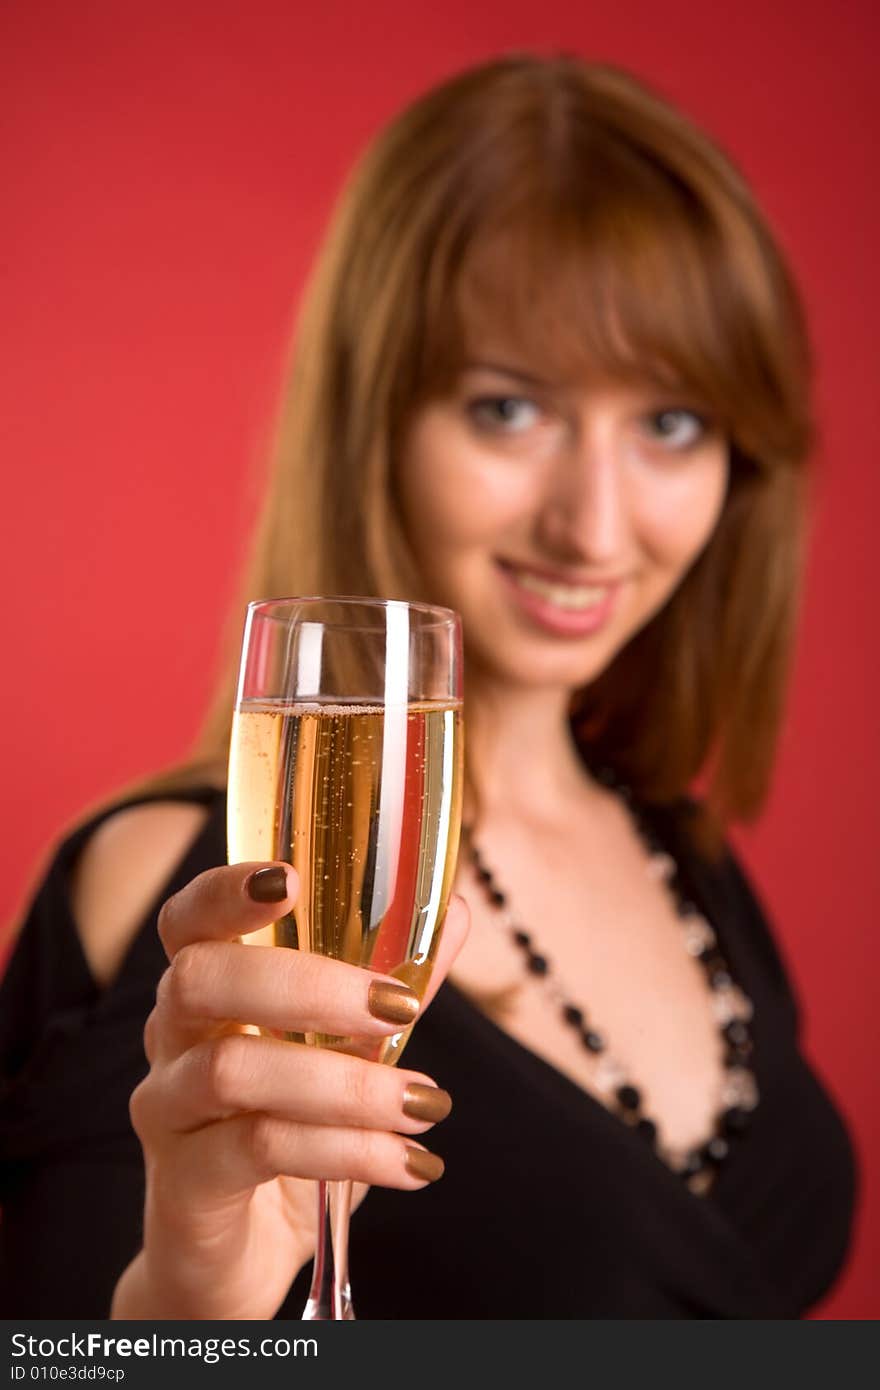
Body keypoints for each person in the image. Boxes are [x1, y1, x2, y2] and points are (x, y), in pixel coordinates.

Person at [0, 54, 856, 1320]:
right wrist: (193, 1296)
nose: (594, 523)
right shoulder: (178, 896)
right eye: (508, 408)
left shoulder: (692, 866)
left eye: (670, 423)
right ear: (375, 422)